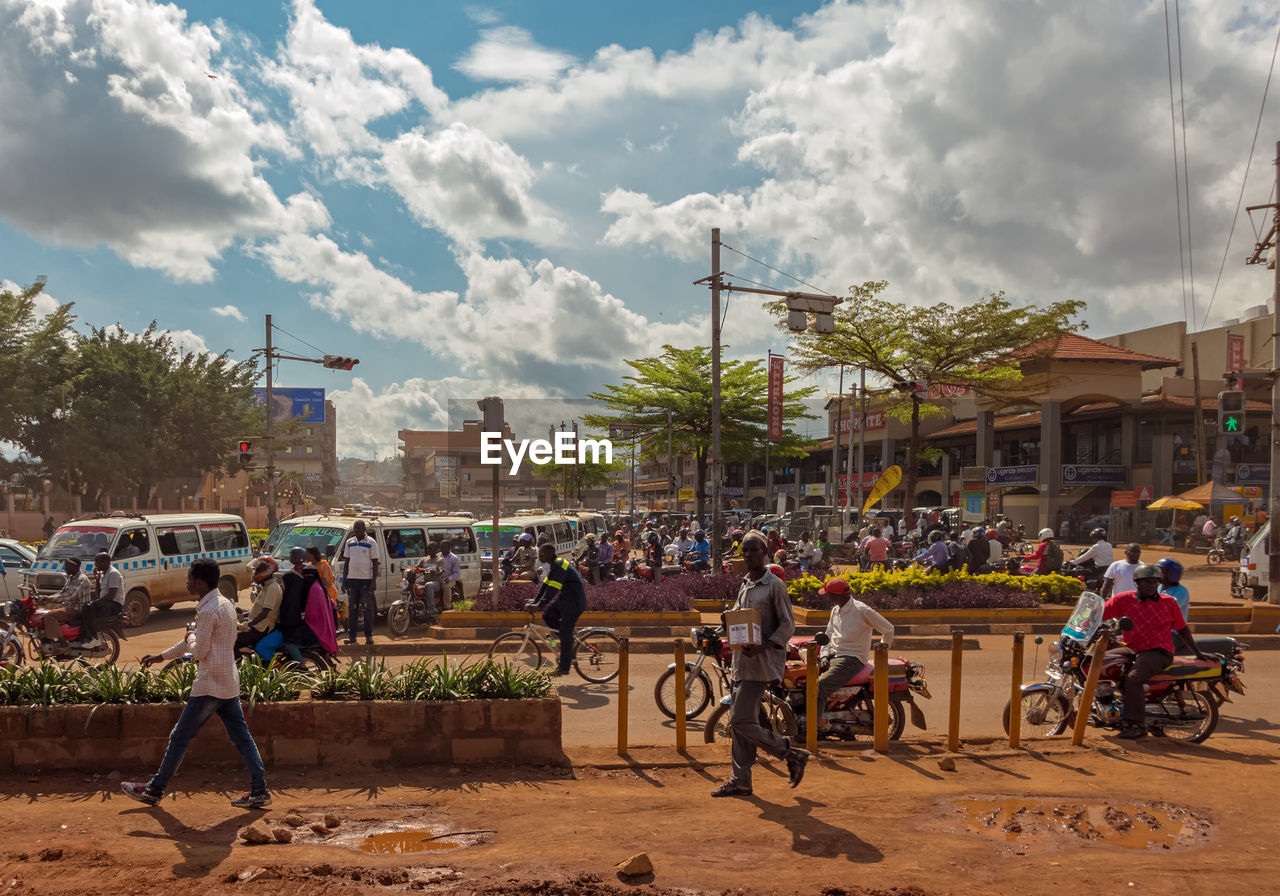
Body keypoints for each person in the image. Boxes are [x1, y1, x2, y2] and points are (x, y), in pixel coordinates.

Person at [123, 558, 270, 809]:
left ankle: (154, 790)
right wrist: (163, 656)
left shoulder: (208, 610)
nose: (187, 582)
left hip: (209, 685)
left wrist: (190, 637)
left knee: (179, 737)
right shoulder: (224, 603)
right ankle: (259, 790)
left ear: (200, 582)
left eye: (189, 578)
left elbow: (198, 650)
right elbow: (196, 640)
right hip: (227, 682)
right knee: (242, 738)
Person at [711, 531, 809, 798]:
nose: (748, 555)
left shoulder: (774, 585)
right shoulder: (745, 584)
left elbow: (788, 624)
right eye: (744, 551)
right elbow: (743, 619)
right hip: (741, 662)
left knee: (739, 720)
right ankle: (741, 781)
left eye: (753, 550)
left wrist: (765, 644)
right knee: (742, 728)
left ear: (764, 553)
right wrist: (726, 621)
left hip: (761, 664)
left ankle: (790, 752)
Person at [1102, 563, 1207, 739]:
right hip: (1132, 647)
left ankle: (1137, 725)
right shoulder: (1123, 599)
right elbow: (1098, 614)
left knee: (1134, 679)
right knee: (1102, 662)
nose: (1151, 585)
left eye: (1154, 581)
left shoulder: (1169, 602)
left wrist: (1197, 652)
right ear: (1137, 582)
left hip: (1158, 650)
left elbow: (1182, 629)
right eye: (1146, 581)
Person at [814, 577, 894, 722]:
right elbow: (828, 635)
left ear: (838, 595)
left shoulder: (862, 610)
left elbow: (888, 629)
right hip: (833, 655)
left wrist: (883, 650)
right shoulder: (835, 610)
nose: (828, 598)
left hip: (851, 659)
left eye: (830, 594)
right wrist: (824, 655)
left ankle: (812, 730)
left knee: (819, 687)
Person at [528, 543, 586, 676]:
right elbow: (545, 586)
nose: (539, 556)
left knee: (566, 634)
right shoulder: (554, 565)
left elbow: (552, 589)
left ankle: (564, 667)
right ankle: (565, 639)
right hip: (565, 600)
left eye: (542, 554)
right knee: (548, 615)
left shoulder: (560, 566)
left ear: (550, 553)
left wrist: (539, 605)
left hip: (574, 603)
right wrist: (535, 601)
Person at [341, 519, 380, 646]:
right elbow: (347, 562)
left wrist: (373, 581)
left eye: (359, 528)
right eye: (355, 528)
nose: (356, 530)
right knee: (352, 609)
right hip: (352, 580)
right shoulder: (349, 542)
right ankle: (352, 637)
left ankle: (369, 636)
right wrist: (344, 579)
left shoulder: (371, 542)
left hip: (366, 580)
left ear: (364, 529)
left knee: (367, 608)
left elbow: (375, 562)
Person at [41, 558, 94, 646]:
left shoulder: (82, 579)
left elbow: (70, 596)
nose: (65, 568)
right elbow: (61, 593)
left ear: (75, 566)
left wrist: (50, 599)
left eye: (67, 566)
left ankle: (63, 643)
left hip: (77, 609)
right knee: (43, 614)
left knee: (49, 616)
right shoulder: (71, 578)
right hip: (69, 607)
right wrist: (46, 598)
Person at [235, 557, 282, 651]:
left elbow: (265, 613)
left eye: (257, 571)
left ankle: (236, 665)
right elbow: (258, 610)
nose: (254, 573)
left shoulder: (272, 588)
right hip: (257, 626)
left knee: (233, 641)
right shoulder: (266, 587)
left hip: (261, 629)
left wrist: (248, 624)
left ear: (266, 571)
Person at [1156, 557, 1190, 621]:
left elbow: (1168, 609)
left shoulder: (1181, 591)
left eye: (1162, 572)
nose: (1159, 574)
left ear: (1172, 574)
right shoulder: (1160, 588)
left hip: (1175, 630)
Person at [438, 541, 461, 606]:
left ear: (449, 548)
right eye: (441, 547)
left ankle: (447, 606)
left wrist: (449, 578)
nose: (442, 549)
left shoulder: (454, 558)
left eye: (444, 547)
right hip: (438, 578)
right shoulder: (438, 556)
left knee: (446, 587)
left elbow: (456, 573)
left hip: (449, 579)